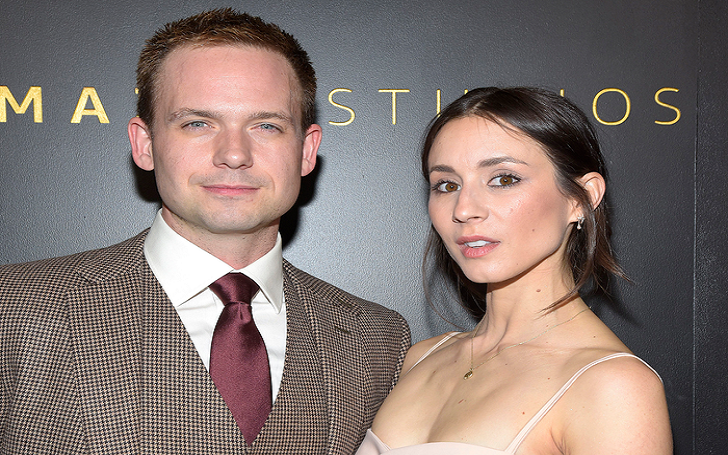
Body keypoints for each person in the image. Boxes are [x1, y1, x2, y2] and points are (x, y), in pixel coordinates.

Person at [0, 9, 410, 454]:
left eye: (266, 126)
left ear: (307, 151)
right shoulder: (15, 308)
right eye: (197, 123)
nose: (233, 154)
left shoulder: (375, 339)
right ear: (145, 144)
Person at [357, 87, 672, 454]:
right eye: (446, 185)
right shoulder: (421, 357)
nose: (464, 209)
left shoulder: (613, 386)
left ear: (581, 198)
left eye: (504, 179)